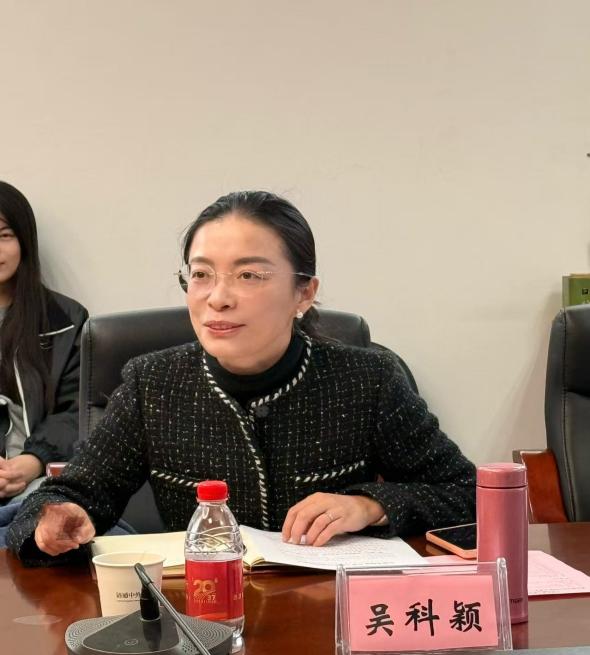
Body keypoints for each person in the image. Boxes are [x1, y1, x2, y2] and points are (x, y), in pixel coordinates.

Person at [7, 190, 475, 564]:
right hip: (200, 620)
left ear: (304, 293)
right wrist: (57, 519)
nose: (218, 298)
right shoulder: (154, 384)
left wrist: (370, 506)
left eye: (249, 275)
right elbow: (70, 493)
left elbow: (466, 492)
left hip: (329, 618)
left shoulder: (366, 380)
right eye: (201, 275)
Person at [0, 181, 88, 505]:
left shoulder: (64, 320)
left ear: (24, 240)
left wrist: (32, 460)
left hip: (35, 485)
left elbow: (80, 411)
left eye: (4, 236)